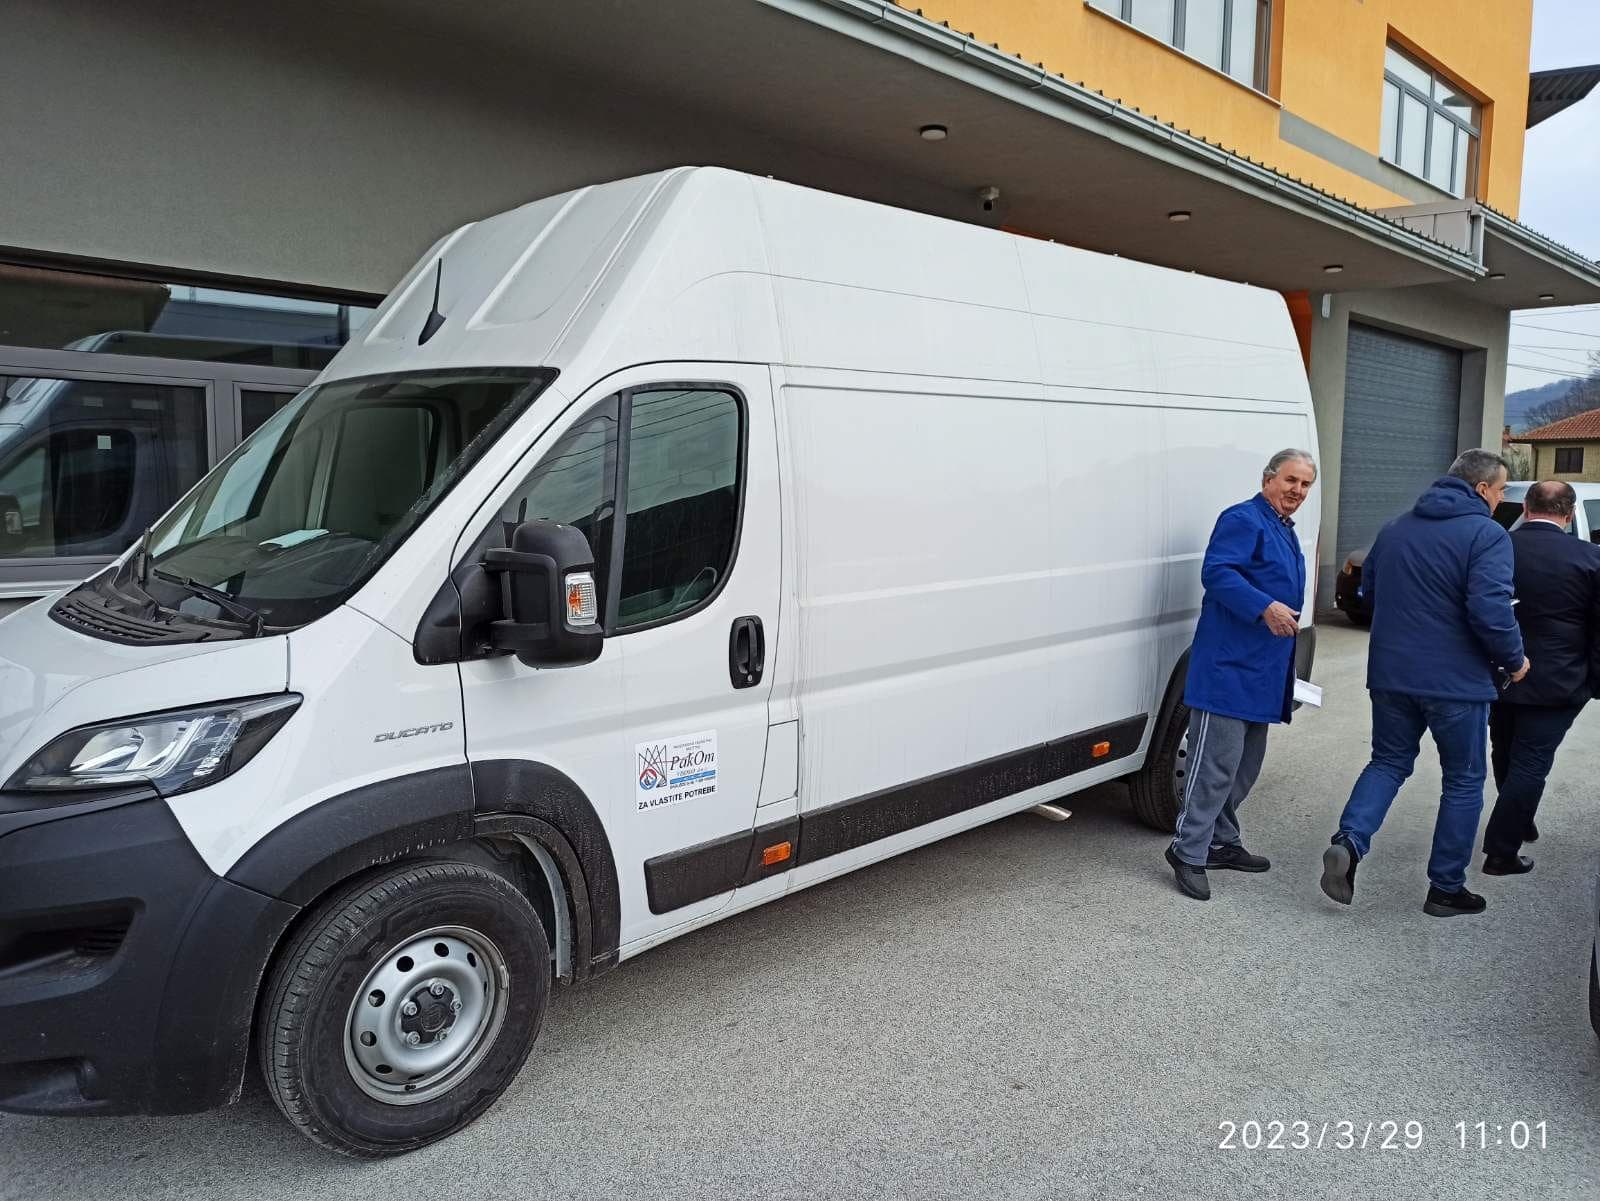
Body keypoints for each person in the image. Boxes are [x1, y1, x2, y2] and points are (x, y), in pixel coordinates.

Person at [1320, 450, 1528, 918]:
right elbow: (1491, 609)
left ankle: (1349, 842)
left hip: (1392, 675)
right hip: (1456, 682)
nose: (1500, 499)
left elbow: (1367, 593)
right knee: (1464, 779)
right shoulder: (1487, 535)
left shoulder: (1395, 528)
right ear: (1481, 489)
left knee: (1388, 761)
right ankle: (1445, 889)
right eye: (1500, 490)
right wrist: (1515, 661)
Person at [1165, 449, 1314, 901]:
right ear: (1269, 479)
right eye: (1291, 480)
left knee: (1243, 769)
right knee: (1213, 768)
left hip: (1262, 671)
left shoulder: (1282, 526)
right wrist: (1263, 607)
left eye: (1306, 484)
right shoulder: (1243, 519)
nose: (1298, 491)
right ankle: (1188, 851)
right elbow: (1217, 573)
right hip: (1228, 670)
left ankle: (1222, 841)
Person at [1481, 481, 1600, 874]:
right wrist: (1593, 681)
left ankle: (1517, 814)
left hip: (1498, 672)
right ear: (1569, 514)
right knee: (1531, 762)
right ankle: (1501, 851)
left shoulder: (1496, 548)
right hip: (1560, 680)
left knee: (1504, 749)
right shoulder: (1591, 558)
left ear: (1526, 508)